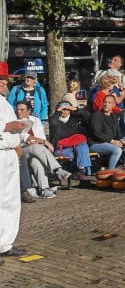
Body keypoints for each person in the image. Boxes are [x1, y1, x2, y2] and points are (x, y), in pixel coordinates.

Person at [17, 101, 71, 200]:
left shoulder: (36, 120)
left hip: (36, 150)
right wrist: (43, 142)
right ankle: (57, 170)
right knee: (36, 147)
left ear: (29, 111)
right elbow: (22, 138)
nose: (18, 112)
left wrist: (41, 141)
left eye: (22, 110)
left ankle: (44, 189)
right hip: (21, 150)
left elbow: (41, 137)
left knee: (35, 161)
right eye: (17, 109)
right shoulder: (15, 122)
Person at [0, 91, 29, 260]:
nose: (3, 83)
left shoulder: (5, 102)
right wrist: (5, 126)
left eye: (5, 79)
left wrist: (20, 141)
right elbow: (7, 126)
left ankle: (5, 243)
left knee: (10, 200)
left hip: (9, 153)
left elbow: (14, 128)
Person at [48, 95, 92, 180]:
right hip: (60, 148)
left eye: (66, 109)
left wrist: (75, 109)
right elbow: (52, 122)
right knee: (77, 153)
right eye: (62, 109)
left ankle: (81, 170)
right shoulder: (55, 121)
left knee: (83, 147)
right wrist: (58, 111)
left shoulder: (73, 119)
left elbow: (87, 116)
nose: (64, 112)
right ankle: (78, 172)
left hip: (75, 146)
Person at [88, 94, 125, 169]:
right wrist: (112, 141)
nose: (106, 104)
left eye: (109, 102)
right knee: (117, 150)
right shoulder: (96, 115)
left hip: (110, 142)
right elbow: (97, 133)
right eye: (105, 102)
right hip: (96, 143)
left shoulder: (113, 116)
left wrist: (121, 140)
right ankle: (110, 171)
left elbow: (118, 132)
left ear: (113, 105)